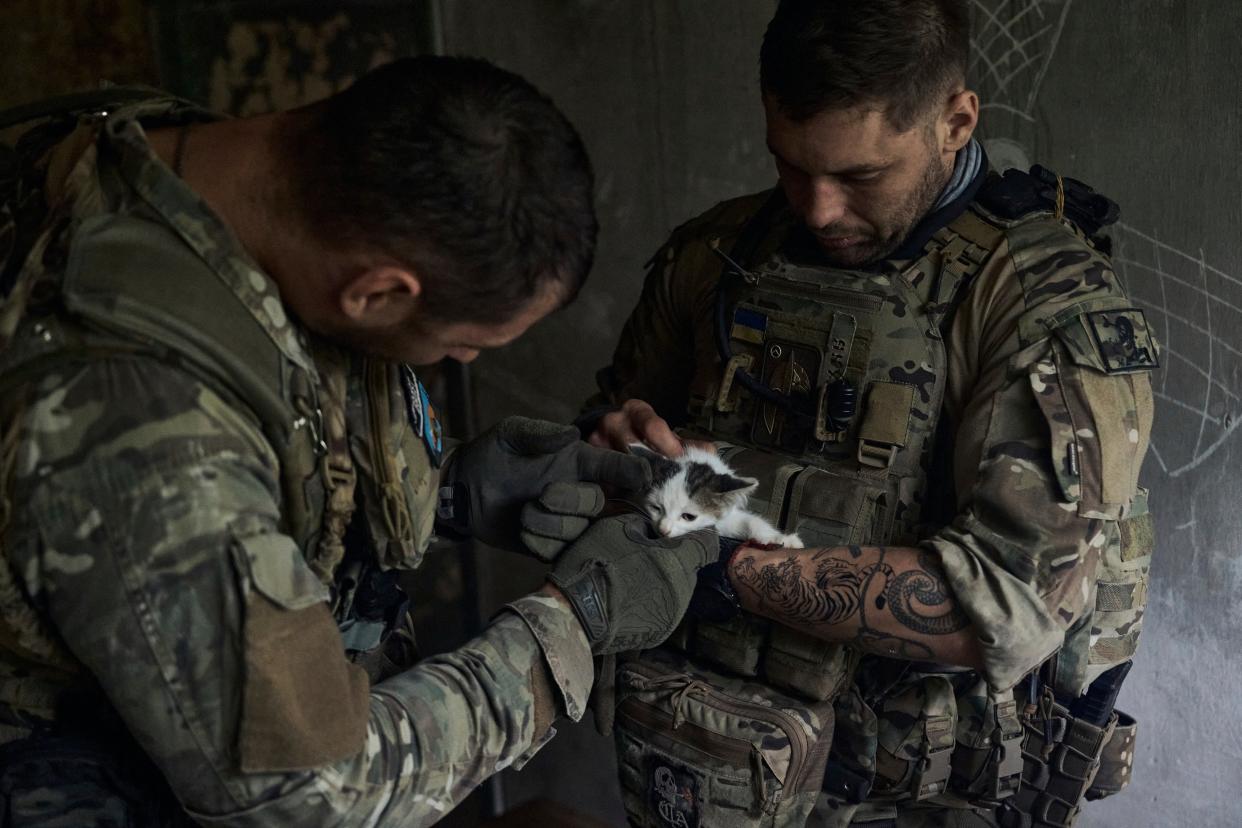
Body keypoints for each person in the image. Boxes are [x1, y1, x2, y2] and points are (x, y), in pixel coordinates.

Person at [0, 57, 717, 825]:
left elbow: (253, 474)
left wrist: (445, 492)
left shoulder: (190, 154)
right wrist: (571, 626)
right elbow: (309, 798)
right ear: (375, 291)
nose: (465, 361)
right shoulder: (143, 430)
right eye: (460, 343)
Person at [584, 1, 1156, 826]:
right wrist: (616, 450)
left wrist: (719, 567)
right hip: (702, 762)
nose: (816, 210)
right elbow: (602, 438)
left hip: (928, 799)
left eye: (859, 176)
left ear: (957, 121)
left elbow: (1001, 606)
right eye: (788, 165)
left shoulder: (1043, 307)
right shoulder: (718, 256)